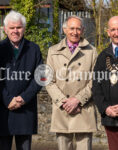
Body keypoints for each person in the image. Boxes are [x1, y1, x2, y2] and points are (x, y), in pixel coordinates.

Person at [0, 10, 43, 150]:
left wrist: (23, 98)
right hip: (4, 109)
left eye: (19, 27)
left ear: (24, 29)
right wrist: (8, 99)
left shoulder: (34, 49)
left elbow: (40, 77)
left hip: (25, 109)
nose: (15, 31)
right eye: (12, 27)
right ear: (5, 29)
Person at [46, 15, 98, 150]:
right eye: (71, 28)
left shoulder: (92, 51)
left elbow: (96, 80)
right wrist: (65, 102)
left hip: (84, 108)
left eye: (78, 29)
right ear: (64, 30)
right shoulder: (53, 51)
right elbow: (49, 81)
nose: (75, 32)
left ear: (83, 30)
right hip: (63, 109)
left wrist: (78, 100)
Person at [92, 16, 118, 150]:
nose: (116, 33)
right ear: (108, 32)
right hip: (111, 118)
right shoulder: (102, 56)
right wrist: (106, 108)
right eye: (113, 29)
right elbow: (96, 87)